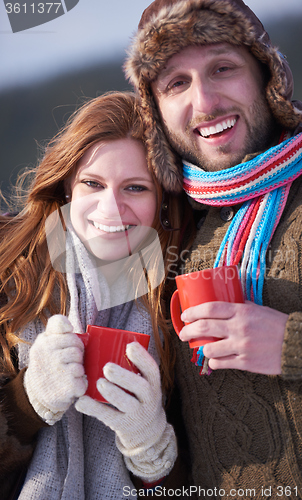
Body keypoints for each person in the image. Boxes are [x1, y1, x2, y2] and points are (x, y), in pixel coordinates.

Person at [125, 0, 302, 496]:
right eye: (177, 83)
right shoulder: (167, 220)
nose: (206, 103)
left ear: (267, 75)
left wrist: (295, 344)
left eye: (222, 68)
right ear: (154, 110)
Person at [0, 91, 189, 499]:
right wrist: (28, 400)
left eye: (136, 188)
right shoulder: (6, 267)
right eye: (93, 183)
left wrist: (151, 450)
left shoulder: (176, 293)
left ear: (163, 202)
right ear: (68, 184)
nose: (111, 208)